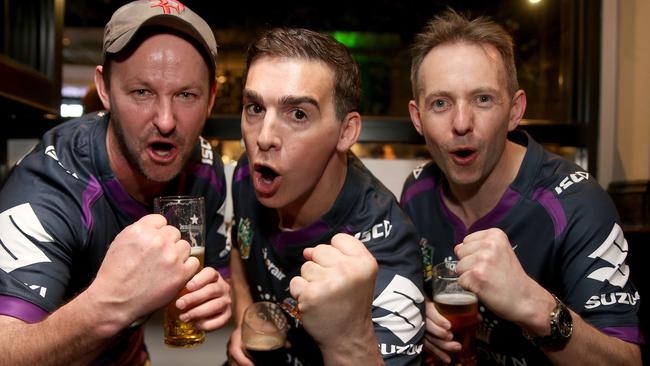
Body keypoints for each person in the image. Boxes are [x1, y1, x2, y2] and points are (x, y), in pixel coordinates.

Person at [400, 9, 643, 365]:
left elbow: (627, 361)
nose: (462, 123)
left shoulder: (576, 203)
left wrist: (534, 305)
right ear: (417, 118)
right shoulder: (416, 191)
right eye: (440, 103)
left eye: (483, 99)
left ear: (515, 110)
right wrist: (420, 315)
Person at [0, 1, 231, 364]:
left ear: (210, 100)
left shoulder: (204, 168)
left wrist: (218, 293)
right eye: (142, 92)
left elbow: (216, 277)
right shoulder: (50, 187)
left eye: (186, 95)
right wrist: (109, 306)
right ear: (104, 89)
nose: (167, 121)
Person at [227, 28, 425, 366]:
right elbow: (240, 247)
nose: (264, 137)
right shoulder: (249, 173)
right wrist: (247, 318)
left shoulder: (385, 245)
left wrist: (348, 339)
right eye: (255, 108)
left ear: (346, 132)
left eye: (298, 114)